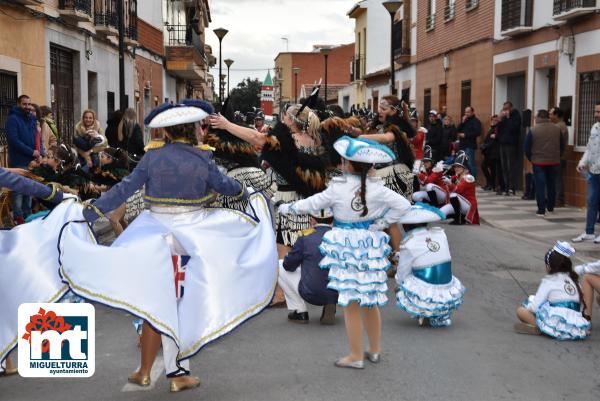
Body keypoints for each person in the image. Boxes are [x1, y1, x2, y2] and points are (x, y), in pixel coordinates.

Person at [59, 100, 277, 393]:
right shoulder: (201, 158)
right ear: (191, 129)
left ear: (168, 131)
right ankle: (175, 373)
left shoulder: (153, 157)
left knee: (155, 302)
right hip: (193, 238)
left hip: (151, 236)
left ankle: (145, 370)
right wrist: (244, 192)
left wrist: (92, 210)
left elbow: (125, 188)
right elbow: (225, 185)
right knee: (178, 304)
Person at [278, 135, 411, 369]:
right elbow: (404, 206)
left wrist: (287, 207)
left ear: (348, 164)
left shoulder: (337, 188)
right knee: (370, 301)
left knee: (350, 304)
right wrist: (381, 223)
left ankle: (356, 356)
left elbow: (312, 204)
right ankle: (375, 350)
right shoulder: (378, 189)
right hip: (370, 245)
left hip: (345, 247)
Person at [395, 203, 465, 327]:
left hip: (426, 281)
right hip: (447, 280)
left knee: (405, 278)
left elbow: (403, 270)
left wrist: (399, 285)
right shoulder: (440, 234)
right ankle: (439, 309)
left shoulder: (408, 241)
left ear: (405, 226)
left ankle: (422, 309)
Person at [515, 242, 589, 340]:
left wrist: (528, 305)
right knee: (546, 303)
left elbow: (534, 307)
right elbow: (579, 306)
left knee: (521, 310)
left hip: (557, 320)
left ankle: (542, 328)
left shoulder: (549, 281)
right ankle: (560, 330)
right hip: (575, 324)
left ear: (549, 266)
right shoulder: (574, 280)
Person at [278, 208, 338, 325]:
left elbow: (288, 265)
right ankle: (331, 300)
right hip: (339, 292)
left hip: (311, 293)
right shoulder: (341, 237)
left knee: (279, 265)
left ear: (312, 220)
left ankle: (300, 311)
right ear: (333, 220)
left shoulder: (305, 237)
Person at [5, 94, 40, 224]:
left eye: (29, 104)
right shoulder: (12, 119)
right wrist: (32, 152)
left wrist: (39, 153)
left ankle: (28, 214)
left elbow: (36, 138)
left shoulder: (31, 119)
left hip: (32, 160)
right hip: (19, 160)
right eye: (24, 104)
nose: (27, 107)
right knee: (19, 189)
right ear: (19, 104)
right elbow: (14, 141)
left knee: (29, 188)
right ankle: (18, 216)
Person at [524, 110, 563, 216]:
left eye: (536, 117)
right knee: (551, 184)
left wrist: (531, 158)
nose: (535, 119)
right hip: (553, 162)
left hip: (538, 163)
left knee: (540, 186)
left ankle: (541, 209)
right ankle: (550, 207)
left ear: (539, 117)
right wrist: (557, 156)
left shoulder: (533, 130)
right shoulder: (557, 129)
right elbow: (562, 146)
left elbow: (526, 147)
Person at [573, 102, 600, 243]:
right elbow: (589, 149)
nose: (596, 114)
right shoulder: (595, 127)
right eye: (596, 111)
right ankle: (589, 232)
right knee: (591, 201)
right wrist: (582, 162)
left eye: (598, 112)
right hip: (594, 172)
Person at [440, 152, 479, 225]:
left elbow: (458, 190)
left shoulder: (469, 177)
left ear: (464, 168)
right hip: (460, 203)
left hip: (468, 205)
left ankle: (459, 219)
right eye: (455, 167)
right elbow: (443, 182)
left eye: (459, 167)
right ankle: (457, 216)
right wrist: (439, 172)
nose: (456, 168)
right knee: (440, 213)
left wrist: (450, 183)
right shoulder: (457, 176)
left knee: (453, 195)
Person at [497, 101, 522, 196]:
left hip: (511, 144)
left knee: (510, 166)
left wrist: (507, 118)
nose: (505, 111)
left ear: (511, 108)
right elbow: (499, 129)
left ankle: (512, 188)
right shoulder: (503, 118)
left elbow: (514, 128)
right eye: (504, 109)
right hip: (502, 144)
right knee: (504, 167)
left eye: (506, 109)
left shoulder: (516, 115)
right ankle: (506, 187)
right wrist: (500, 119)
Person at [550, 107, 569, 207]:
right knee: (556, 178)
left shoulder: (560, 127)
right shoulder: (557, 126)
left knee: (557, 179)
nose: (549, 116)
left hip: (559, 157)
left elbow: (555, 142)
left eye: (551, 114)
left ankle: (559, 200)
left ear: (556, 115)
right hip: (556, 156)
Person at [457, 106, 482, 178]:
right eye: (465, 112)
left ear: (472, 112)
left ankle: (472, 180)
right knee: (463, 164)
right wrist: (462, 122)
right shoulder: (465, 121)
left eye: (468, 112)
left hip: (470, 145)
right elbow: (458, 130)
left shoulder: (476, 121)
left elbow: (478, 132)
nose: (466, 114)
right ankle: (464, 179)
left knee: (471, 164)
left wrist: (466, 135)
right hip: (462, 145)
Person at [481, 115, 501, 191]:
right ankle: (490, 184)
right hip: (489, 152)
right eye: (492, 120)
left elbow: (492, 141)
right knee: (488, 168)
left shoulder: (497, 128)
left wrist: (485, 146)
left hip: (493, 152)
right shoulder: (492, 128)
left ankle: (491, 184)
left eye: (495, 120)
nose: (493, 121)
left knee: (489, 168)